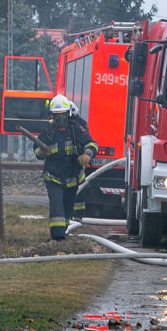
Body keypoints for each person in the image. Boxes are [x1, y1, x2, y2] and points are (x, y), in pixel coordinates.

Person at [35, 94, 98, 242]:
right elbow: (36, 149)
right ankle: (57, 238)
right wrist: (41, 152)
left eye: (62, 114)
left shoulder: (75, 129)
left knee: (68, 207)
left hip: (71, 177)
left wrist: (88, 154)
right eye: (57, 115)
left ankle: (63, 232)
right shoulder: (47, 131)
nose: (60, 118)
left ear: (68, 114)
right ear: (52, 116)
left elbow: (91, 143)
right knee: (56, 204)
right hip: (53, 176)